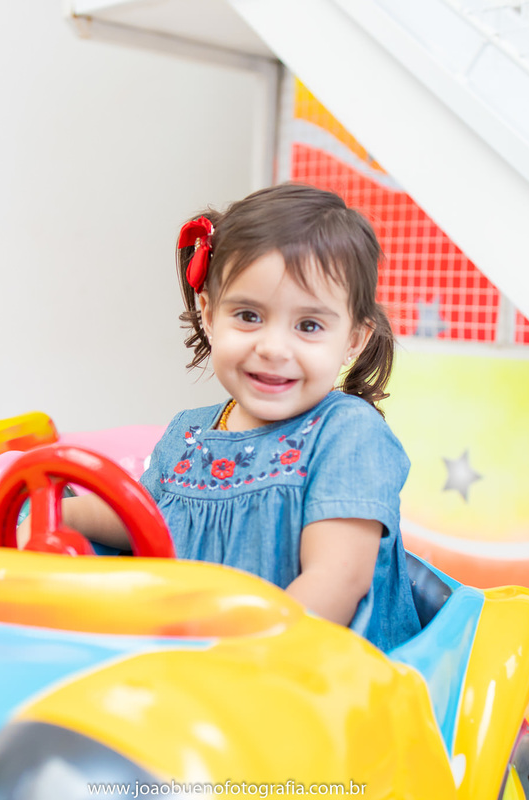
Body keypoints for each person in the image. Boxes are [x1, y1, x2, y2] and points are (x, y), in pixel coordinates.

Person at [47, 183, 420, 652]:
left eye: (308, 326)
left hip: (312, 678)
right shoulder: (189, 431)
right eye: (248, 315)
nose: (272, 347)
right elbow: (142, 516)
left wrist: (242, 659)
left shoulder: (348, 434)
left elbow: (336, 581)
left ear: (353, 340)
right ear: (208, 312)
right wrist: (60, 512)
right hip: (190, 663)